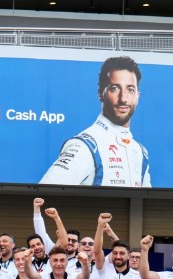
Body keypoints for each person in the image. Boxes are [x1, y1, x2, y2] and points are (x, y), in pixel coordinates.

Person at [41, 56, 151, 188]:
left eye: (130, 89)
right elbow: (44, 195)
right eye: (115, 88)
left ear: (137, 97)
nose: (123, 98)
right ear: (101, 93)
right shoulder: (84, 146)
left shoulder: (139, 151)